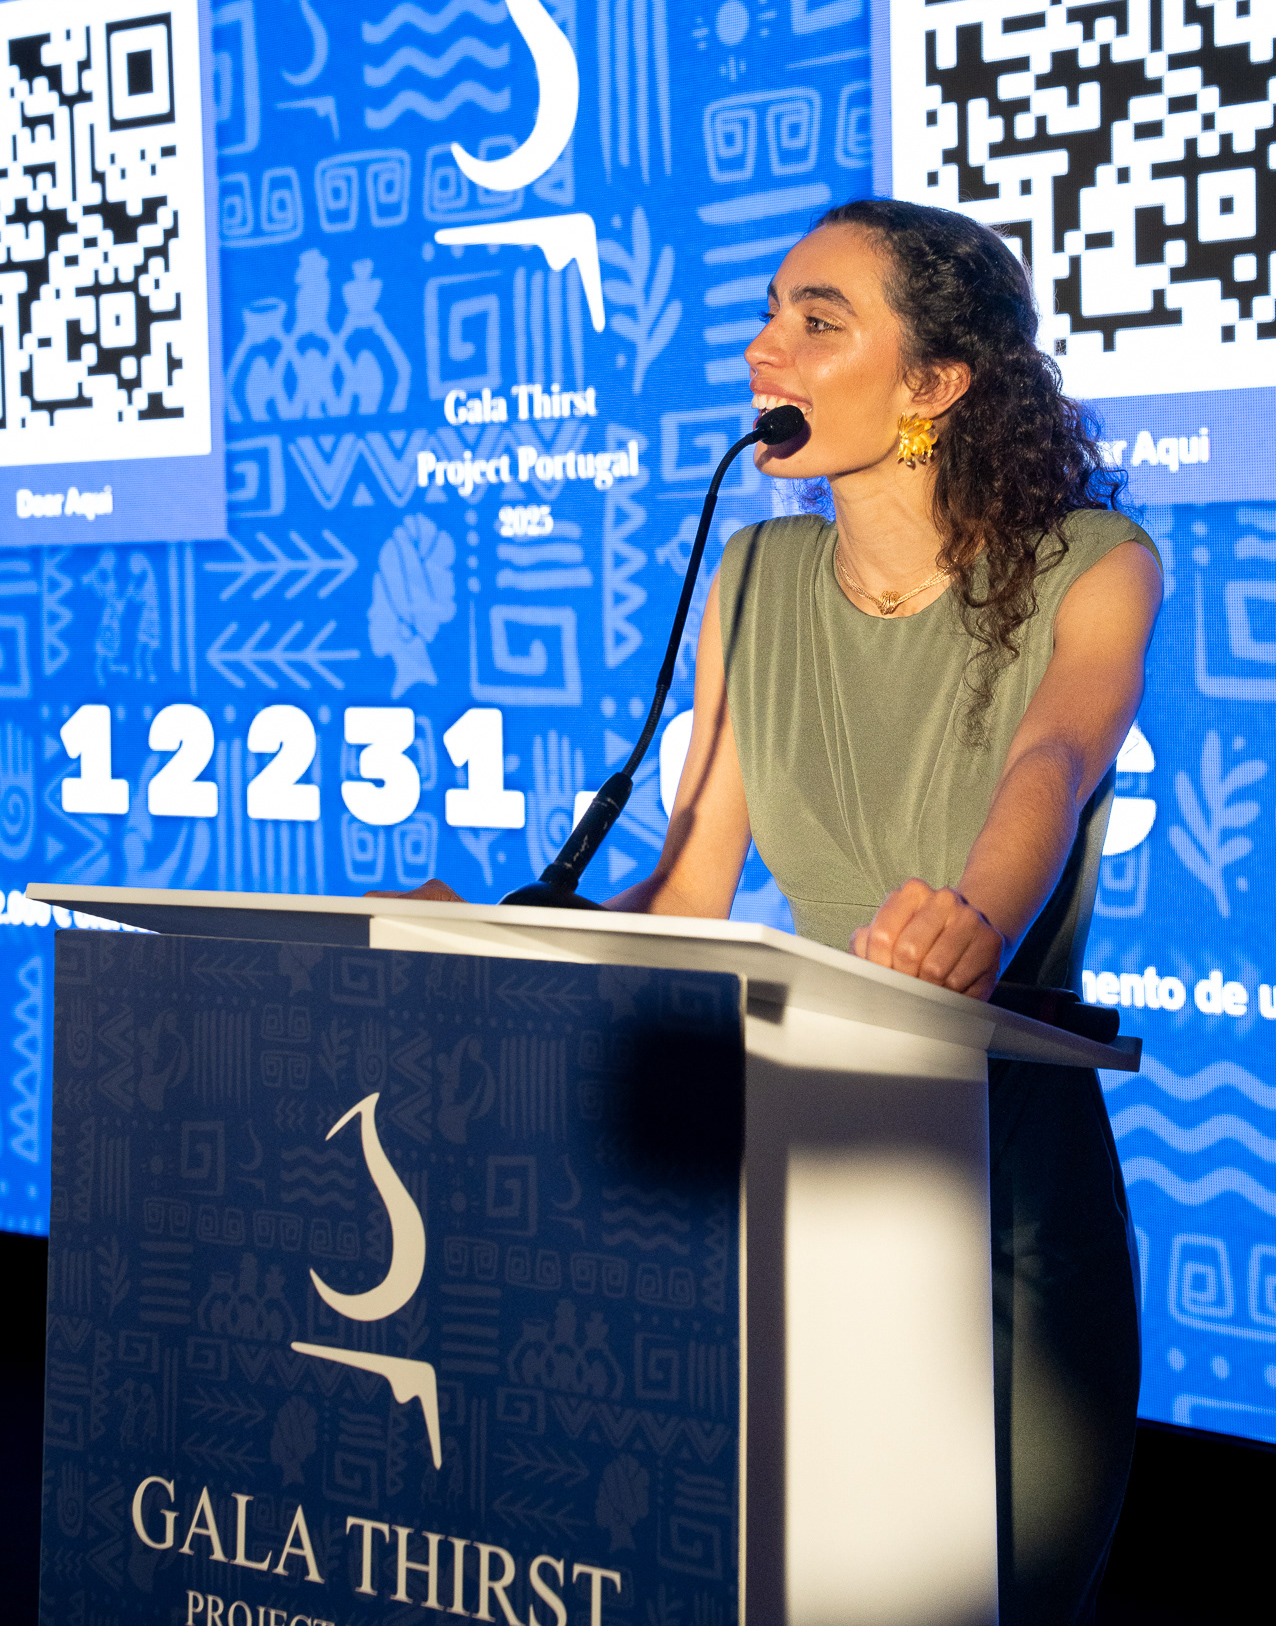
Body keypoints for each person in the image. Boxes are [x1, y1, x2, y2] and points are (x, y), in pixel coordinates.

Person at [394, 198, 1163, 1623]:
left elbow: (1052, 763)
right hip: (814, 1171)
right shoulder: (753, 576)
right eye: (767, 316)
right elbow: (690, 886)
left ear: (935, 383)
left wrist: (972, 920)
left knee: (1002, 1591)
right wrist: (494, 943)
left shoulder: (1094, 558)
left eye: (819, 322)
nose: (765, 351)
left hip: (1009, 1174)